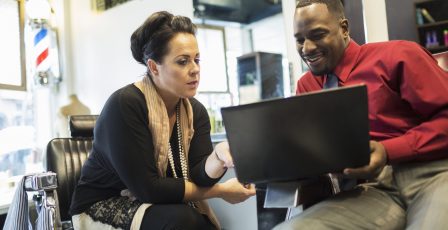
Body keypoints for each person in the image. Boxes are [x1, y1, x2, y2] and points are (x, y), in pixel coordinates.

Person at [69, 11, 255, 230]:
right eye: (183, 61)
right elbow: (150, 189)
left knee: (199, 222)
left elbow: (198, 176)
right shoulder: (125, 104)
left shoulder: (195, 111)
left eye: (197, 59)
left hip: (148, 201)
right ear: (154, 67)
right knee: (183, 220)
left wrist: (219, 157)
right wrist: (222, 191)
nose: (195, 69)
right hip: (101, 204)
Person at [275, 0, 448, 229]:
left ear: (344, 29)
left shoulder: (398, 55)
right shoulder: (307, 86)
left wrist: (388, 151)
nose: (306, 48)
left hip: (433, 173)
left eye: (317, 35)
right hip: (372, 191)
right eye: (299, 39)